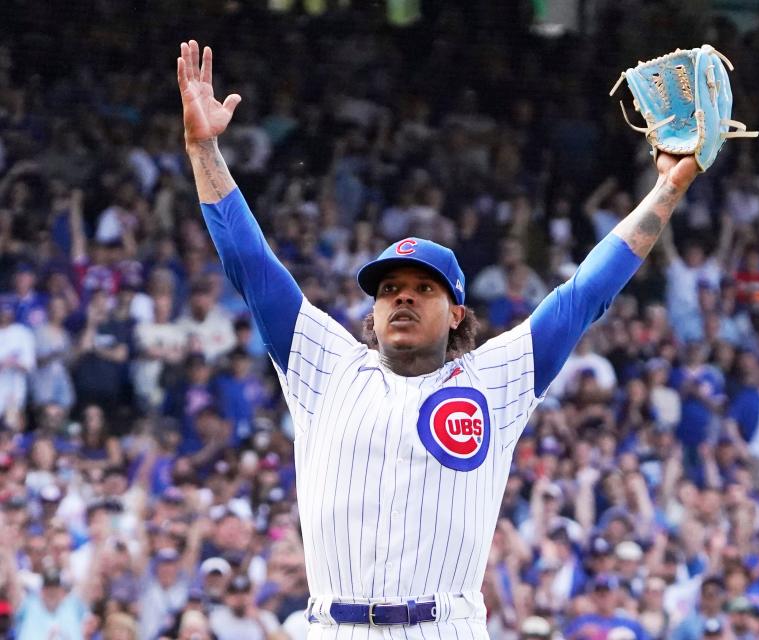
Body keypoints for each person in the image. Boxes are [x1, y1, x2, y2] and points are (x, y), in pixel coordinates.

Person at [176, 39, 699, 638]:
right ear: (371, 311)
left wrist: (668, 190)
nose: (402, 296)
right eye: (389, 287)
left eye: (423, 289)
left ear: (456, 313)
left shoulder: (493, 378)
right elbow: (250, 262)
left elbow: (584, 295)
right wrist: (202, 147)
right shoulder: (325, 367)